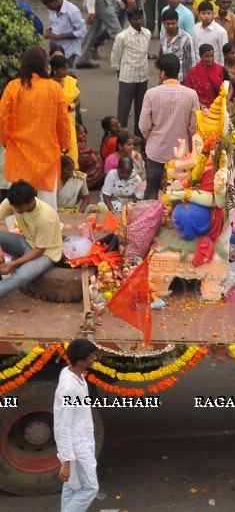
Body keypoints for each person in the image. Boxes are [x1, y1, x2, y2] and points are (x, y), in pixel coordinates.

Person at [0, 49, 72, 206]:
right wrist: (66, 144)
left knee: (18, 198)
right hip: (47, 153)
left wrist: (5, 141)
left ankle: (15, 229)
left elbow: (2, 118)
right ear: (44, 65)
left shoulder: (13, 87)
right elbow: (63, 120)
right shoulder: (54, 88)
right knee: (47, 202)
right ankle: (47, 229)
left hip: (19, 154)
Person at [138, 54, 200, 199]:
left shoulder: (151, 94)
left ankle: (151, 218)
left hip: (156, 150)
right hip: (181, 152)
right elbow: (194, 126)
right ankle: (176, 219)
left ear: (163, 73)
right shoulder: (191, 94)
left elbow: (143, 125)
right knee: (180, 189)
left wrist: (151, 137)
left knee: (152, 187)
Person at [0, 179, 67, 297]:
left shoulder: (45, 218)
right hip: (26, 241)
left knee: (22, 276)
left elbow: (39, 250)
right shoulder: (14, 201)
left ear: (31, 201)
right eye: (13, 206)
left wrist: (13, 264)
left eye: (19, 207)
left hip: (46, 253)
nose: (15, 210)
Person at [55, 338, 100, 511]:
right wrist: (66, 463)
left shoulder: (71, 373)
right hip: (77, 447)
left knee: (73, 486)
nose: (95, 359)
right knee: (90, 488)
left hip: (82, 441)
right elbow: (63, 426)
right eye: (92, 357)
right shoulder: (68, 388)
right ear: (81, 361)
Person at [110, 7, 151, 133]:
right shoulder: (122, 36)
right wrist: (118, 69)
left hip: (143, 75)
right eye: (135, 19)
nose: (138, 21)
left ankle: (139, 134)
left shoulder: (147, 34)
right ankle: (121, 135)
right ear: (129, 19)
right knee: (124, 108)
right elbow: (116, 54)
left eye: (140, 18)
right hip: (127, 75)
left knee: (141, 108)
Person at [42, 0, 87, 68]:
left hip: (68, 50)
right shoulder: (52, 9)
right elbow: (52, 23)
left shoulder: (72, 11)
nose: (48, 8)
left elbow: (82, 31)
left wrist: (59, 36)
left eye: (49, 5)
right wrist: (49, 31)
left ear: (56, 1)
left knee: (66, 76)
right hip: (54, 49)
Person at [185, 43, 225, 108]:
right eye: (207, 57)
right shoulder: (193, 72)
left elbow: (228, 87)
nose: (210, 59)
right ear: (200, 56)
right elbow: (188, 92)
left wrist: (224, 100)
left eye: (212, 56)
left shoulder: (220, 69)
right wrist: (199, 105)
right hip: (199, 108)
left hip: (218, 108)